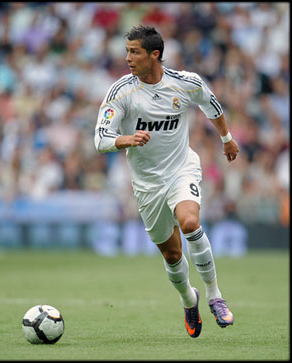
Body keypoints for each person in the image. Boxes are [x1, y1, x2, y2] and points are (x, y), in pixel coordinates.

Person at [94, 25, 239, 338]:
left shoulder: (186, 82)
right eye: (127, 51)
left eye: (135, 52)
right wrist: (126, 139)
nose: (128, 58)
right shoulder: (122, 91)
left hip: (181, 169)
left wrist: (226, 138)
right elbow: (100, 138)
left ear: (154, 54)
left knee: (189, 223)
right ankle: (189, 299)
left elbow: (210, 105)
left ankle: (215, 295)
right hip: (147, 185)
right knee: (172, 256)